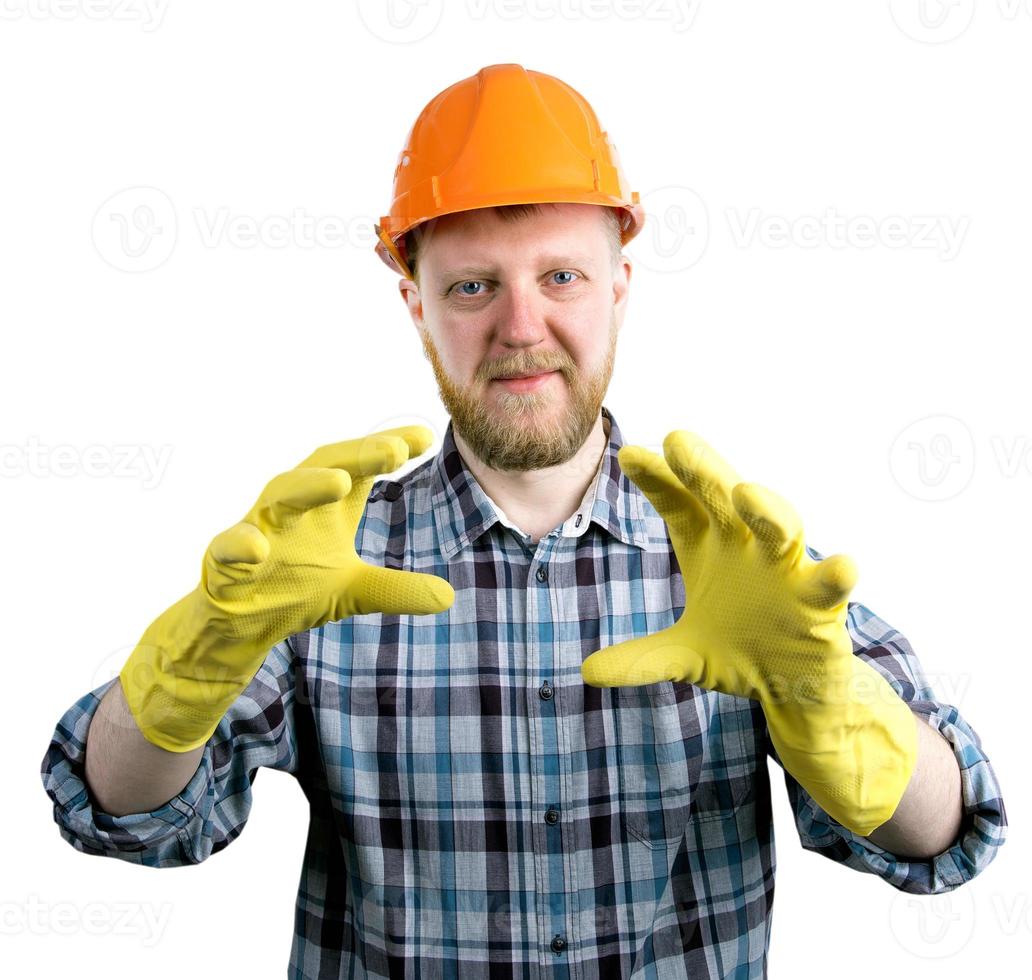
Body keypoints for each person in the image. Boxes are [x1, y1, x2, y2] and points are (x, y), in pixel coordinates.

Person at [41, 63, 1006, 978]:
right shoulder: (321, 564)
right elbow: (121, 812)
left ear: (620, 282)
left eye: (561, 277)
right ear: (415, 302)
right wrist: (206, 648)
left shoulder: (736, 565)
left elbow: (943, 829)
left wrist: (820, 688)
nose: (520, 326)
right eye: (473, 285)